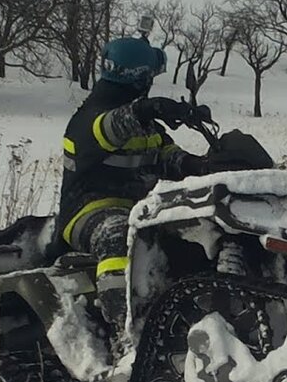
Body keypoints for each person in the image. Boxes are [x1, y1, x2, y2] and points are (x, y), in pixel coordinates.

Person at [58, 37, 209, 343]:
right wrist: (145, 109)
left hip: (140, 211)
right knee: (119, 237)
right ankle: (126, 336)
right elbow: (108, 129)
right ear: (141, 78)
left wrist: (200, 165)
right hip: (87, 210)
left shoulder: (148, 127)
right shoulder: (90, 117)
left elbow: (166, 155)